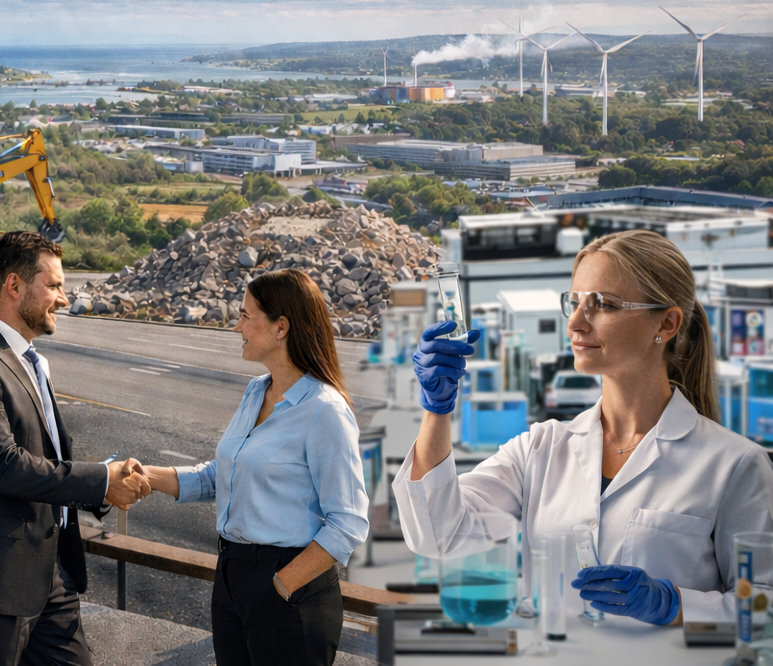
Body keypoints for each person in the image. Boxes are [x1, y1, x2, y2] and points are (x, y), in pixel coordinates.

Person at [394, 229, 773, 624]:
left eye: (603, 305)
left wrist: (675, 605)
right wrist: (437, 410)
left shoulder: (734, 465)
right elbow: (438, 533)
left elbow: (766, 605)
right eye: (574, 303)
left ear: (667, 323)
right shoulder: (541, 448)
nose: (576, 322)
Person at [0, 231, 150, 666]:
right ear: (14, 285)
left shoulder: (28, 360)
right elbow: (1, 466)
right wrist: (100, 481)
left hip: (47, 574)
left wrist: (104, 475)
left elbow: (42, 460)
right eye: (55, 286)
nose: (63, 299)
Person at [139, 270, 369, 666]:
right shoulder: (255, 391)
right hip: (232, 578)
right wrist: (145, 475)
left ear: (281, 327)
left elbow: (348, 522)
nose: (236, 326)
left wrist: (280, 586)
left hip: (289, 588)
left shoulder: (325, 411)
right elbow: (222, 475)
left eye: (246, 316)